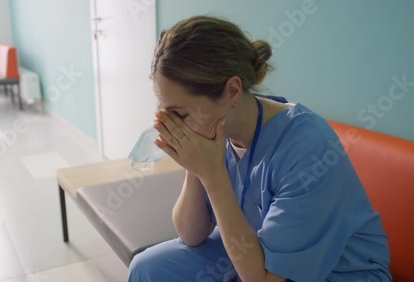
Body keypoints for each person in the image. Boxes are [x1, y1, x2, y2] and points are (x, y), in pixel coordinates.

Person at [128, 15, 392, 282]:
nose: (170, 124)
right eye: (165, 111)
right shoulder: (219, 133)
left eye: (180, 115)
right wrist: (195, 167)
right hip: (255, 247)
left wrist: (213, 175)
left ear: (232, 90)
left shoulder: (308, 148)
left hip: (336, 272)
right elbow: (190, 233)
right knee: (147, 268)